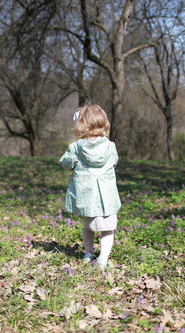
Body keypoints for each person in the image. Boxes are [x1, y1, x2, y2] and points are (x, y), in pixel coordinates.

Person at [59, 104, 121, 268]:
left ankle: (88, 254)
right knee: (108, 228)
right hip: (106, 197)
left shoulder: (76, 147)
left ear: (81, 125)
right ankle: (103, 259)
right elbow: (114, 162)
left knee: (88, 226)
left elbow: (65, 164)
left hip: (87, 196)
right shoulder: (110, 146)